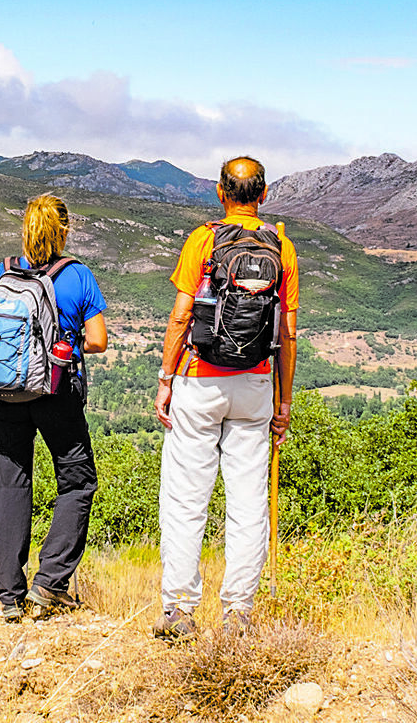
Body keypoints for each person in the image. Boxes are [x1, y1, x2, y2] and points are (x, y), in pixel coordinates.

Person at [152, 156, 298, 640]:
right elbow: (289, 333)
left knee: (186, 498)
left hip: (199, 378)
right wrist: (284, 402)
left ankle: (178, 609)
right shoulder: (283, 247)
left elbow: (180, 317)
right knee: (248, 501)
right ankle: (238, 611)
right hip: (256, 383)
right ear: (265, 192)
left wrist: (166, 378)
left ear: (220, 192)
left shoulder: (203, 239)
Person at [0, 194, 108, 622]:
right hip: (56, 392)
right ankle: (50, 583)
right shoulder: (77, 275)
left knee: (11, 485)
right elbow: (97, 340)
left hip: (7, 391)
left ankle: (9, 596)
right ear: (64, 230)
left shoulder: (4, 270)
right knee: (77, 482)